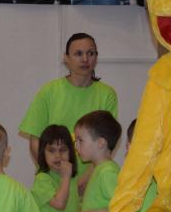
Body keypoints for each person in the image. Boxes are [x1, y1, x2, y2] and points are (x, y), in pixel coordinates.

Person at [19, 32, 117, 187]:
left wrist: (83, 182)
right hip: (52, 183)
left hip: (90, 183)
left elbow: (106, 145)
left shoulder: (107, 94)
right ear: (66, 58)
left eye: (90, 53)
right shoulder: (49, 91)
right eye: (78, 54)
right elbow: (35, 140)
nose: (85, 59)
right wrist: (54, 177)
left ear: (96, 57)